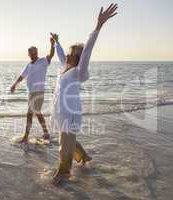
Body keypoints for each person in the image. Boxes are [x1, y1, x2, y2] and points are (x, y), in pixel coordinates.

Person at [50, 3, 118, 184]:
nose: (68, 56)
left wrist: (98, 26)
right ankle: (85, 157)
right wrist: (56, 42)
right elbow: (61, 55)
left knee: (65, 145)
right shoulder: (65, 68)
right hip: (61, 113)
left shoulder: (78, 72)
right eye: (69, 53)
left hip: (70, 114)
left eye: (72, 54)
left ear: (79, 58)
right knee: (67, 139)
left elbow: (87, 50)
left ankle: (63, 173)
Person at [10, 37, 55, 143]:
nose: (33, 54)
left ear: (37, 52)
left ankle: (27, 136)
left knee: (32, 113)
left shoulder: (43, 61)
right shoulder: (29, 65)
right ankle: (45, 133)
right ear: (29, 54)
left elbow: (51, 55)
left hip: (39, 92)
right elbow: (22, 76)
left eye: (34, 52)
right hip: (31, 93)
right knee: (35, 113)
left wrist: (52, 44)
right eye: (31, 53)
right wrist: (15, 85)